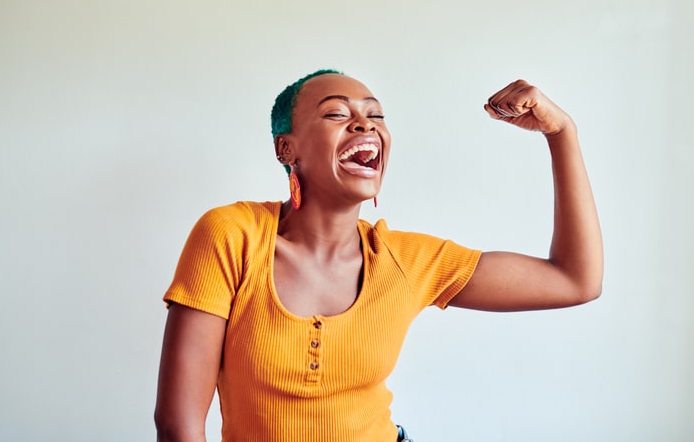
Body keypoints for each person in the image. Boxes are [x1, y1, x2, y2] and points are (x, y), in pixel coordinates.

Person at [154, 69, 604, 442]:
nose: (365, 125)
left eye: (375, 116)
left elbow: (575, 281)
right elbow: (179, 425)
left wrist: (562, 134)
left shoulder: (407, 261)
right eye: (335, 113)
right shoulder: (231, 236)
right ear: (285, 149)